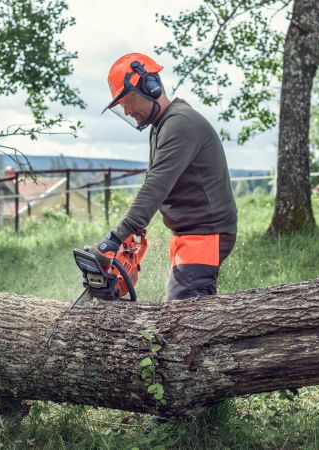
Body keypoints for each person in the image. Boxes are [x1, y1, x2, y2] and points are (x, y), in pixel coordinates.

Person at [92, 52, 237, 301]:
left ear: (150, 86)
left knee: (185, 312)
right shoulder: (162, 125)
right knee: (183, 305)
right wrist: (135, 234)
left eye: (127, 100)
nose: (126, 110)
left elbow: (156, 186)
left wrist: (115, 238)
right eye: (121, 105)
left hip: (205, 233)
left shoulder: (180, 123)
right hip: (189, 231)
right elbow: (159, 183)